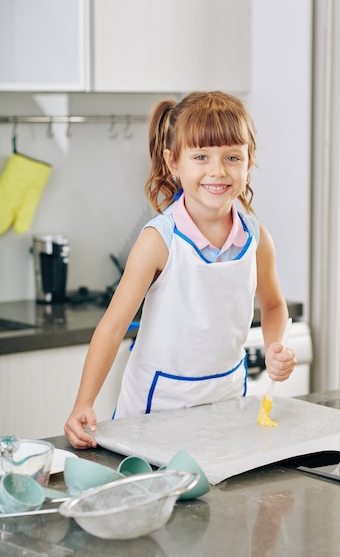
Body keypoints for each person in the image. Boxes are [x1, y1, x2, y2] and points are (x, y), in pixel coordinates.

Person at [64, 91, 296, 449]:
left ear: (249, 161)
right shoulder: (159, 241)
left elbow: (273, 306)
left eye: (232, 156)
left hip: (226, 403)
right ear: (174, 163)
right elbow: (112, 327)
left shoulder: (256, 237)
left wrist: (275, 347)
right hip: (155, 411)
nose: (217, 171)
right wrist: (84, 402)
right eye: (201, 156)